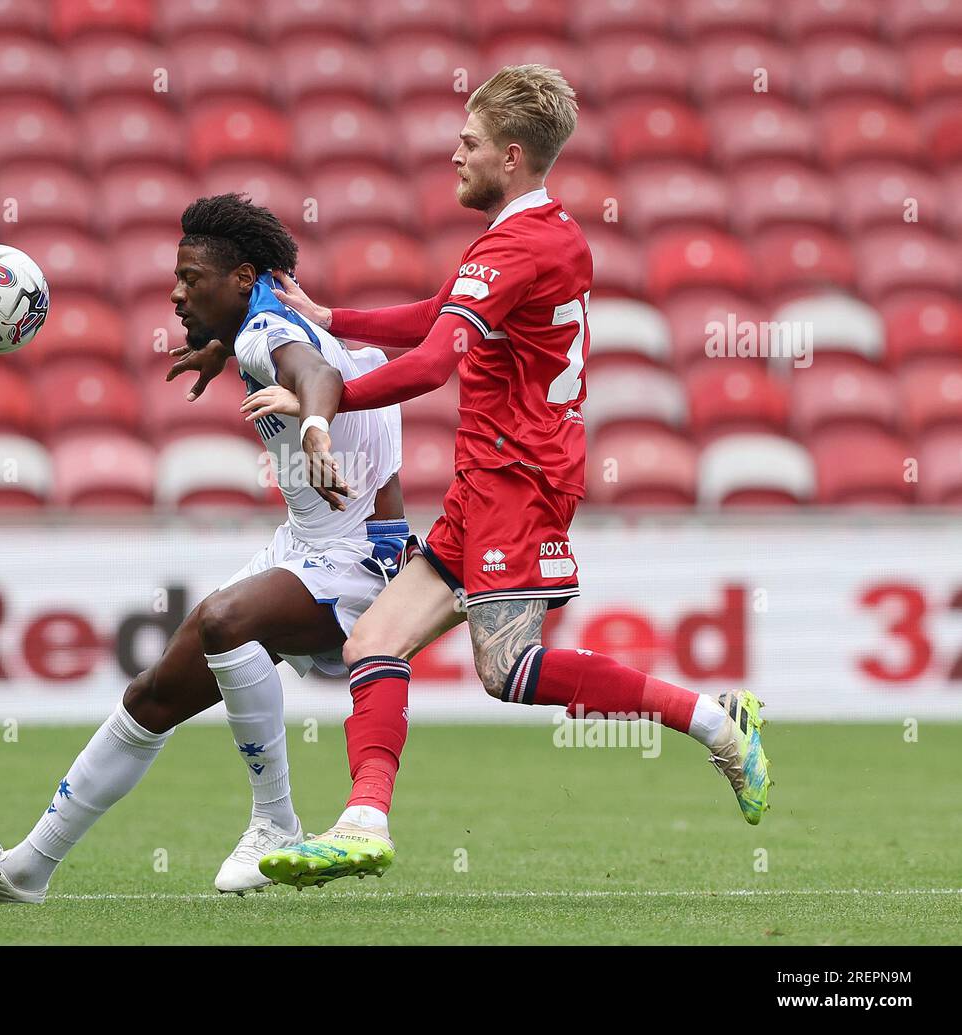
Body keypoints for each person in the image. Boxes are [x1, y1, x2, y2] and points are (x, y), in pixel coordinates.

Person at [189, 66, 772, 891]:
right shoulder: (549, 234)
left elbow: (432, 363)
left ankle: (719, 724)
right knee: (373, 641)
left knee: (511, 672)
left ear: (509, 153)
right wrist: (331, 321)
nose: (452, 155)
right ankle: (362, 822)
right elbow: (438, 314)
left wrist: (325, 396)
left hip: (519, 481)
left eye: (466, 144)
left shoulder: (515, 244)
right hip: (490, 478)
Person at [0, 194, 406, 900]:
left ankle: (274, 822)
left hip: (359, 558)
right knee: (153, 695)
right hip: (306, 544)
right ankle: (27, 866)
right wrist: (230, 353)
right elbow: (327, 357)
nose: (176, 293)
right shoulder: (270, 318)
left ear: (241, 277)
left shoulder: (266, 331)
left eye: (190, 277)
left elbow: (314, 374)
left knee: (224, 622)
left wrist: (315, 426)